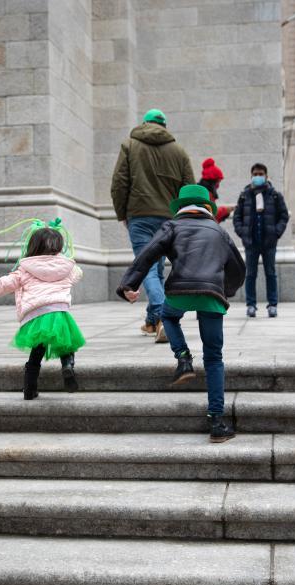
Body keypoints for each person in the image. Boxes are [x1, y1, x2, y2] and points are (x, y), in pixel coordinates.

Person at [117, 185, 245, 443]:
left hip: (180, 291)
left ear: (181, 207)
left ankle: (184, 358)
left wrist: (129, 284)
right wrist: (224, 291)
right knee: (214, 357)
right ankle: (217, 422)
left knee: (168, 316)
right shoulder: (219, 231)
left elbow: (147, 254)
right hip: (212, 295)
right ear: (206, 207)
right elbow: (238, 269)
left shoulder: (171, 227)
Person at [0, 219, 84, 400]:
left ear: (32, 246)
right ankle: (67, 366)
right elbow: (78, 274)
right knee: (65, 344)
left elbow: (2, 285)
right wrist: (71, 265)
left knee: (37, 352)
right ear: (59, 246)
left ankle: (29, 389)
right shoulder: (68, 267)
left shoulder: (24, 269)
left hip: (37, 314)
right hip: (58, 312)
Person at [111, 109, 195, 343]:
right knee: (155, 267)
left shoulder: (130, 145)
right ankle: (151, 321)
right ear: (164, 125)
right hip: (170, 217)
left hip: (140, 214)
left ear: (145, 123)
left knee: (146, 266)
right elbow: (189, 187)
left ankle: (161, 315)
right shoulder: (179, 151)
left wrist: (122, 214)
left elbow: (119, 183)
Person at [233, 163, 289, 318]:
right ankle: (251, 305)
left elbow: (284, 216)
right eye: (255, 174)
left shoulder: (275, 195)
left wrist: (276, 233)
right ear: (251, 176)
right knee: (250, 274)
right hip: (251, 243)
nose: (258, 176)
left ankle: (272, 305)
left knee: (270, 273)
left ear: (266, 175)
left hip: (269, 243)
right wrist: (243, 233)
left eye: (261, 174)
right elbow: (237, 217)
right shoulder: (245, 195)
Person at [197, 157, 234, 224]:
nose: (218, 185)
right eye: (218, 182)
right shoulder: (206, 193)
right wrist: (225, 210)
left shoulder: (205, 191)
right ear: (213, 181)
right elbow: (210, 215)